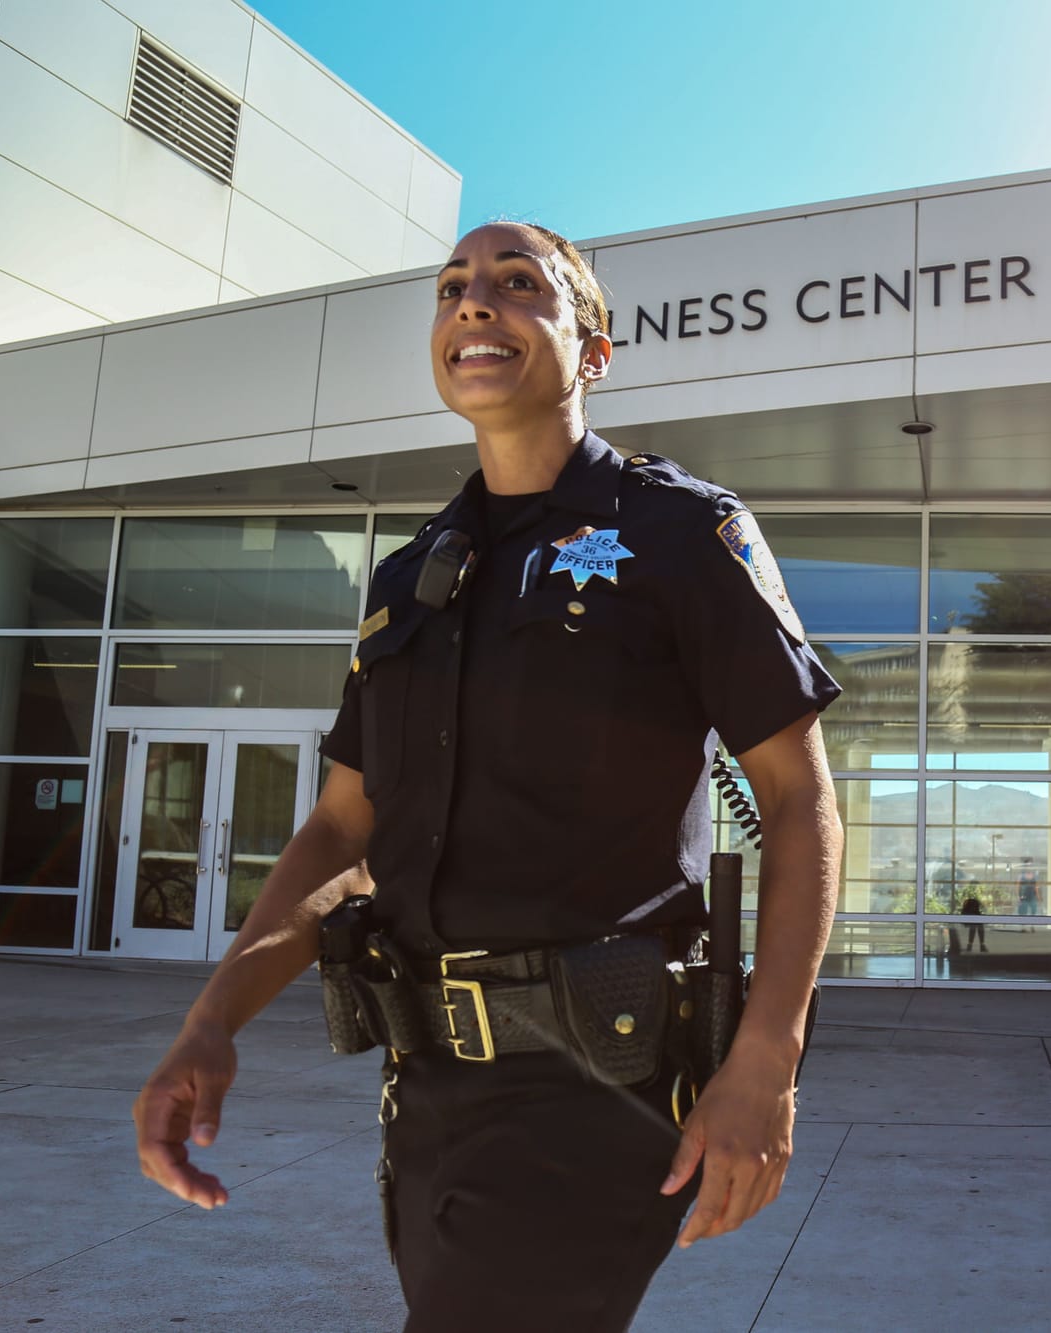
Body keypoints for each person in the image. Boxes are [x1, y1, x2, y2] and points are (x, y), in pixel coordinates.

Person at [131, 221, 844, 1331]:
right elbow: (339, 831)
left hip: (593, 1089)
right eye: (453, 287)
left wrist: (768, 1053)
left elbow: (797, 801)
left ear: (593, 350)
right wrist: (212, 1018)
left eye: (520, 286)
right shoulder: (415, 574)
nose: (476, 303)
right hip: (425, 1091)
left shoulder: (679, 533)